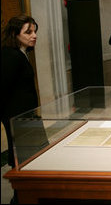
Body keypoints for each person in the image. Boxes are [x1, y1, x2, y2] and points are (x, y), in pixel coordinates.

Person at [1, 15, 48, 203]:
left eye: (35, 31)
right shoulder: (9, 55)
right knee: (23, 162)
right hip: (17, 119)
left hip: (26, 117)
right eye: (28, 32)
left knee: (34, 158)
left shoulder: (21, 52)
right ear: (15, 34)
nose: (34, 35)